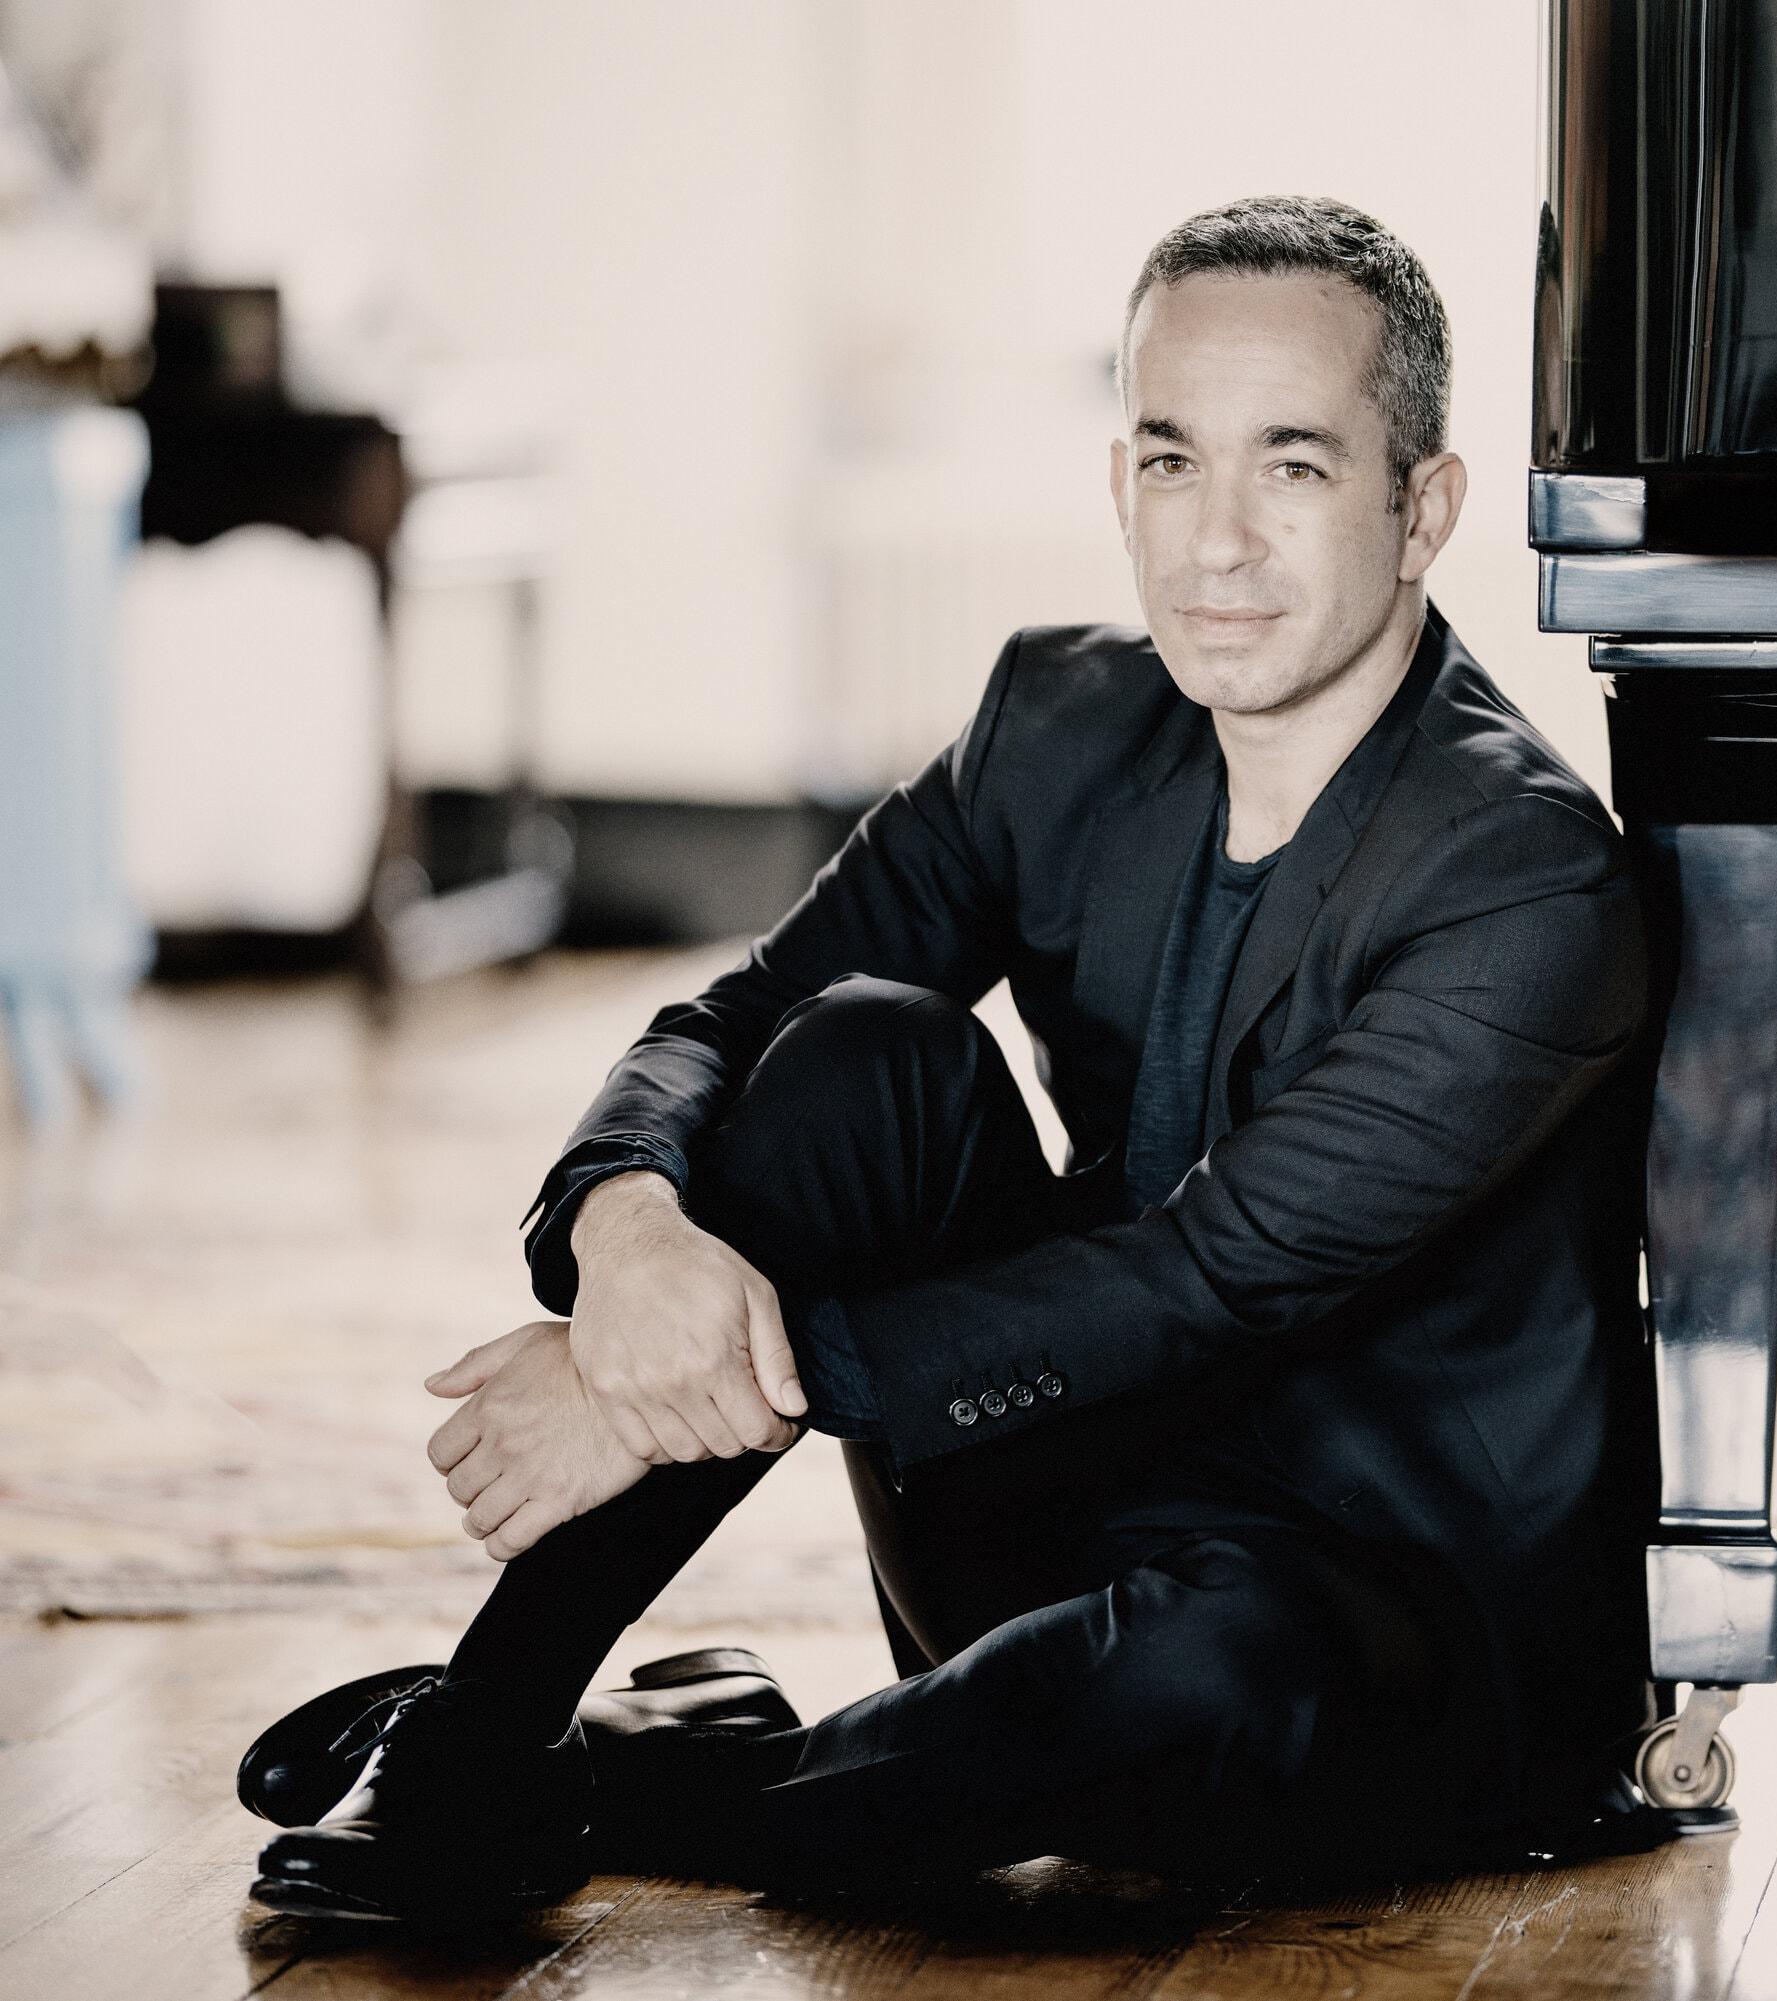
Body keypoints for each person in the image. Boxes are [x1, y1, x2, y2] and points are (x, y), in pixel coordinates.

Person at [246, 195, 1658, 1924]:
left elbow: (1205, 1279)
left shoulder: (1526, 878)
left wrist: (667, 1396)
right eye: (1167, 460)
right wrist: (628, 1238)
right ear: (1118, 481)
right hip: (1066, 1499)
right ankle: (489, 1730)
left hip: (1383, 1637)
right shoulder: (1055, 723)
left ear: (1419, 504)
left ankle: (648, 1774)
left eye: (1291, 466)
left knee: (1186, 1677)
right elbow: (737, 1023)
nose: (1216, 543)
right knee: (863, 1061)